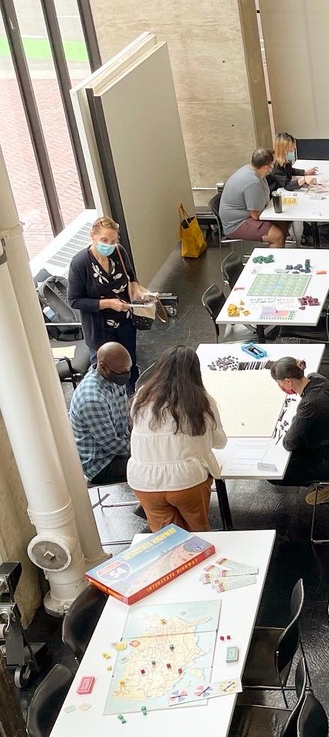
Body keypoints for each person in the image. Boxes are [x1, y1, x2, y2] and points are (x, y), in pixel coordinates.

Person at [127, 345, 226, 531]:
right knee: (199, 536)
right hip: (186, 480)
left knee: (169, 541)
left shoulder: (141, 396)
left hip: (144, 481)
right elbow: (220, 442)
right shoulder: (201, 401)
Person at [67, 215, 146, 393]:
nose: (109, 245)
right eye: (104, 240)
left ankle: (132, 401)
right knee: (106, 374)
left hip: (125, 323)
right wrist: (108, 303)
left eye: (113, 241)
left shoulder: (119, 252)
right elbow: (74, 300)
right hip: (100, 330)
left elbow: (131, 276)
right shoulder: (80, 263)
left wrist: (135, 290)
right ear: (92, 236)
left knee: (129, 364)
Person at [269, 356, 329, 502]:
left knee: (274, 474)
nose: (280, 386)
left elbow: (289, 443)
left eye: (279, 383)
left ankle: (323, 482)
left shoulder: (310, 404)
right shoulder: (317, 378)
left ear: (288, 382)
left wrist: (296, 421)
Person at [68, 341, 132, 484]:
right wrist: (143, 448)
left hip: (120, 446)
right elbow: (112, 444)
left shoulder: (114, 377)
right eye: (122, 372)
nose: (126, 375)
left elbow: (126, 416)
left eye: (128, 370)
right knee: (152, 465)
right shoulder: (92, 399)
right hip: (102, 464)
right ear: (102, 366)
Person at [218, 148, 286, 248]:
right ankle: (270, 262)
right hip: (236, 223)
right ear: (266, 167)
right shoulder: (253, 182)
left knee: (282, 224)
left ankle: (280, 256)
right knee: (277, 235)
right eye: (273, 164)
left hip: (240, 216)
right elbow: (255, 215)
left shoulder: (250, 169)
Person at [268, 132, 319, 243]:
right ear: (284, 149)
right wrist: (303, 180)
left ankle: (302, 234)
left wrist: (304, 172)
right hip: (275, 199)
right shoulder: (275, 166)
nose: (293, 150)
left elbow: (290, 171)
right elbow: (288, 185)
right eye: (291, 149)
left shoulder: (284, 160)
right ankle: (297, 238)